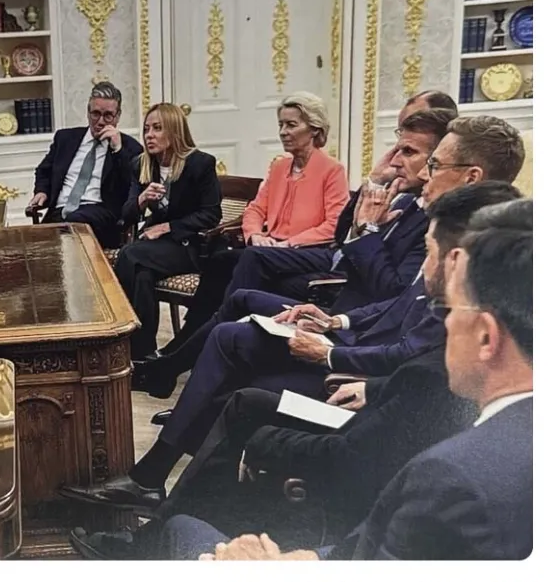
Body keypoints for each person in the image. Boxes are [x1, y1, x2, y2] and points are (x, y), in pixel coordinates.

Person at [61, 182, 521, 515]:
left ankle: (163, 486)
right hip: (352, 339)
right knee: (236, 326)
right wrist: (336, 321)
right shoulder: (424, 221)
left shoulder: (461, 289)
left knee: (234, 361)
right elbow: (394, 306)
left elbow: (404, 347)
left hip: (354, 370)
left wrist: (333, 354)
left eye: (426, 158)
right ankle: (163, 480)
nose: (402, 162)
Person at [165, 197, 532, 561]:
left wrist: (277, 568)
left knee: (180, 529)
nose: (444, 322)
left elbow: (372, 569)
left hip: (352, 419)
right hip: (364, 386)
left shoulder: (451, 476)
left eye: (447, 309)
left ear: (486, 335)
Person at [138, 113, 526, 398]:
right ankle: (178, 366)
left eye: (421, 157)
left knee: (243, 298)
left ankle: (183, 371)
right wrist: (372, 185)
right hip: (339, 295)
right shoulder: (405, 198)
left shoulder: (446, 230)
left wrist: (365, 235)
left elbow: (390, 290)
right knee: (235, 273)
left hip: (344, 298)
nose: (414, 168)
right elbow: (343, 233)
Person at [170, 93, 348, 346]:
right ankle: (190, 334)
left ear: (314, 129)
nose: (283, 132)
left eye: (291, 125)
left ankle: (216, 336)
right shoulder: (279, 167)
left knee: (251, 258)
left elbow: (334, 225)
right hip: (269, 249)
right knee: (220, 261)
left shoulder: (332, 170)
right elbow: (254, 209)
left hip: (307, 252)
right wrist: (255, 235)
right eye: (281, 125)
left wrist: (288, 244)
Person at [116, 103, 221, 359]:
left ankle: (120, 338)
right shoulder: (141, 164)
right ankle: (144, 355)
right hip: (154, 249)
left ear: (174, 132)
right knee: (141, 275)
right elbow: (126, 215)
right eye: (146, 129)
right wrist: (141, 200)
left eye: (157, 129)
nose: (149, 135)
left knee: (129, 255)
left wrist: (169, 227)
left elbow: (211, 214)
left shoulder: (199, 164)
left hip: (189, 245)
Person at [27, 82, 142, 249]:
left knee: (73, 222)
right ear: (88, 113)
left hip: (100, 214)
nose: (100, 121)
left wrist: (117, 150)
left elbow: (129, 188)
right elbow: (44, 170)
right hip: (60, 212)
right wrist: (41, 191)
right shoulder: (65, 138)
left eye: (108, 116)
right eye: (96, 114)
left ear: (118, 116)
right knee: (32, 242)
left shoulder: (130, 148)